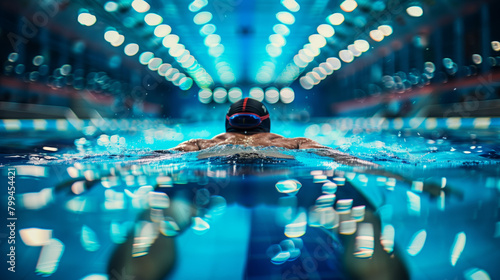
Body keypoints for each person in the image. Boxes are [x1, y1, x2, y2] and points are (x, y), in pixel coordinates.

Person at [167, 97, 379, 168]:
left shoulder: (199, 143)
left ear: (227, 123)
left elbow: (158, 156)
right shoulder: (295, 142)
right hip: (273, 158)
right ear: (266, 123)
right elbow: (337, 155)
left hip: (220, 160)